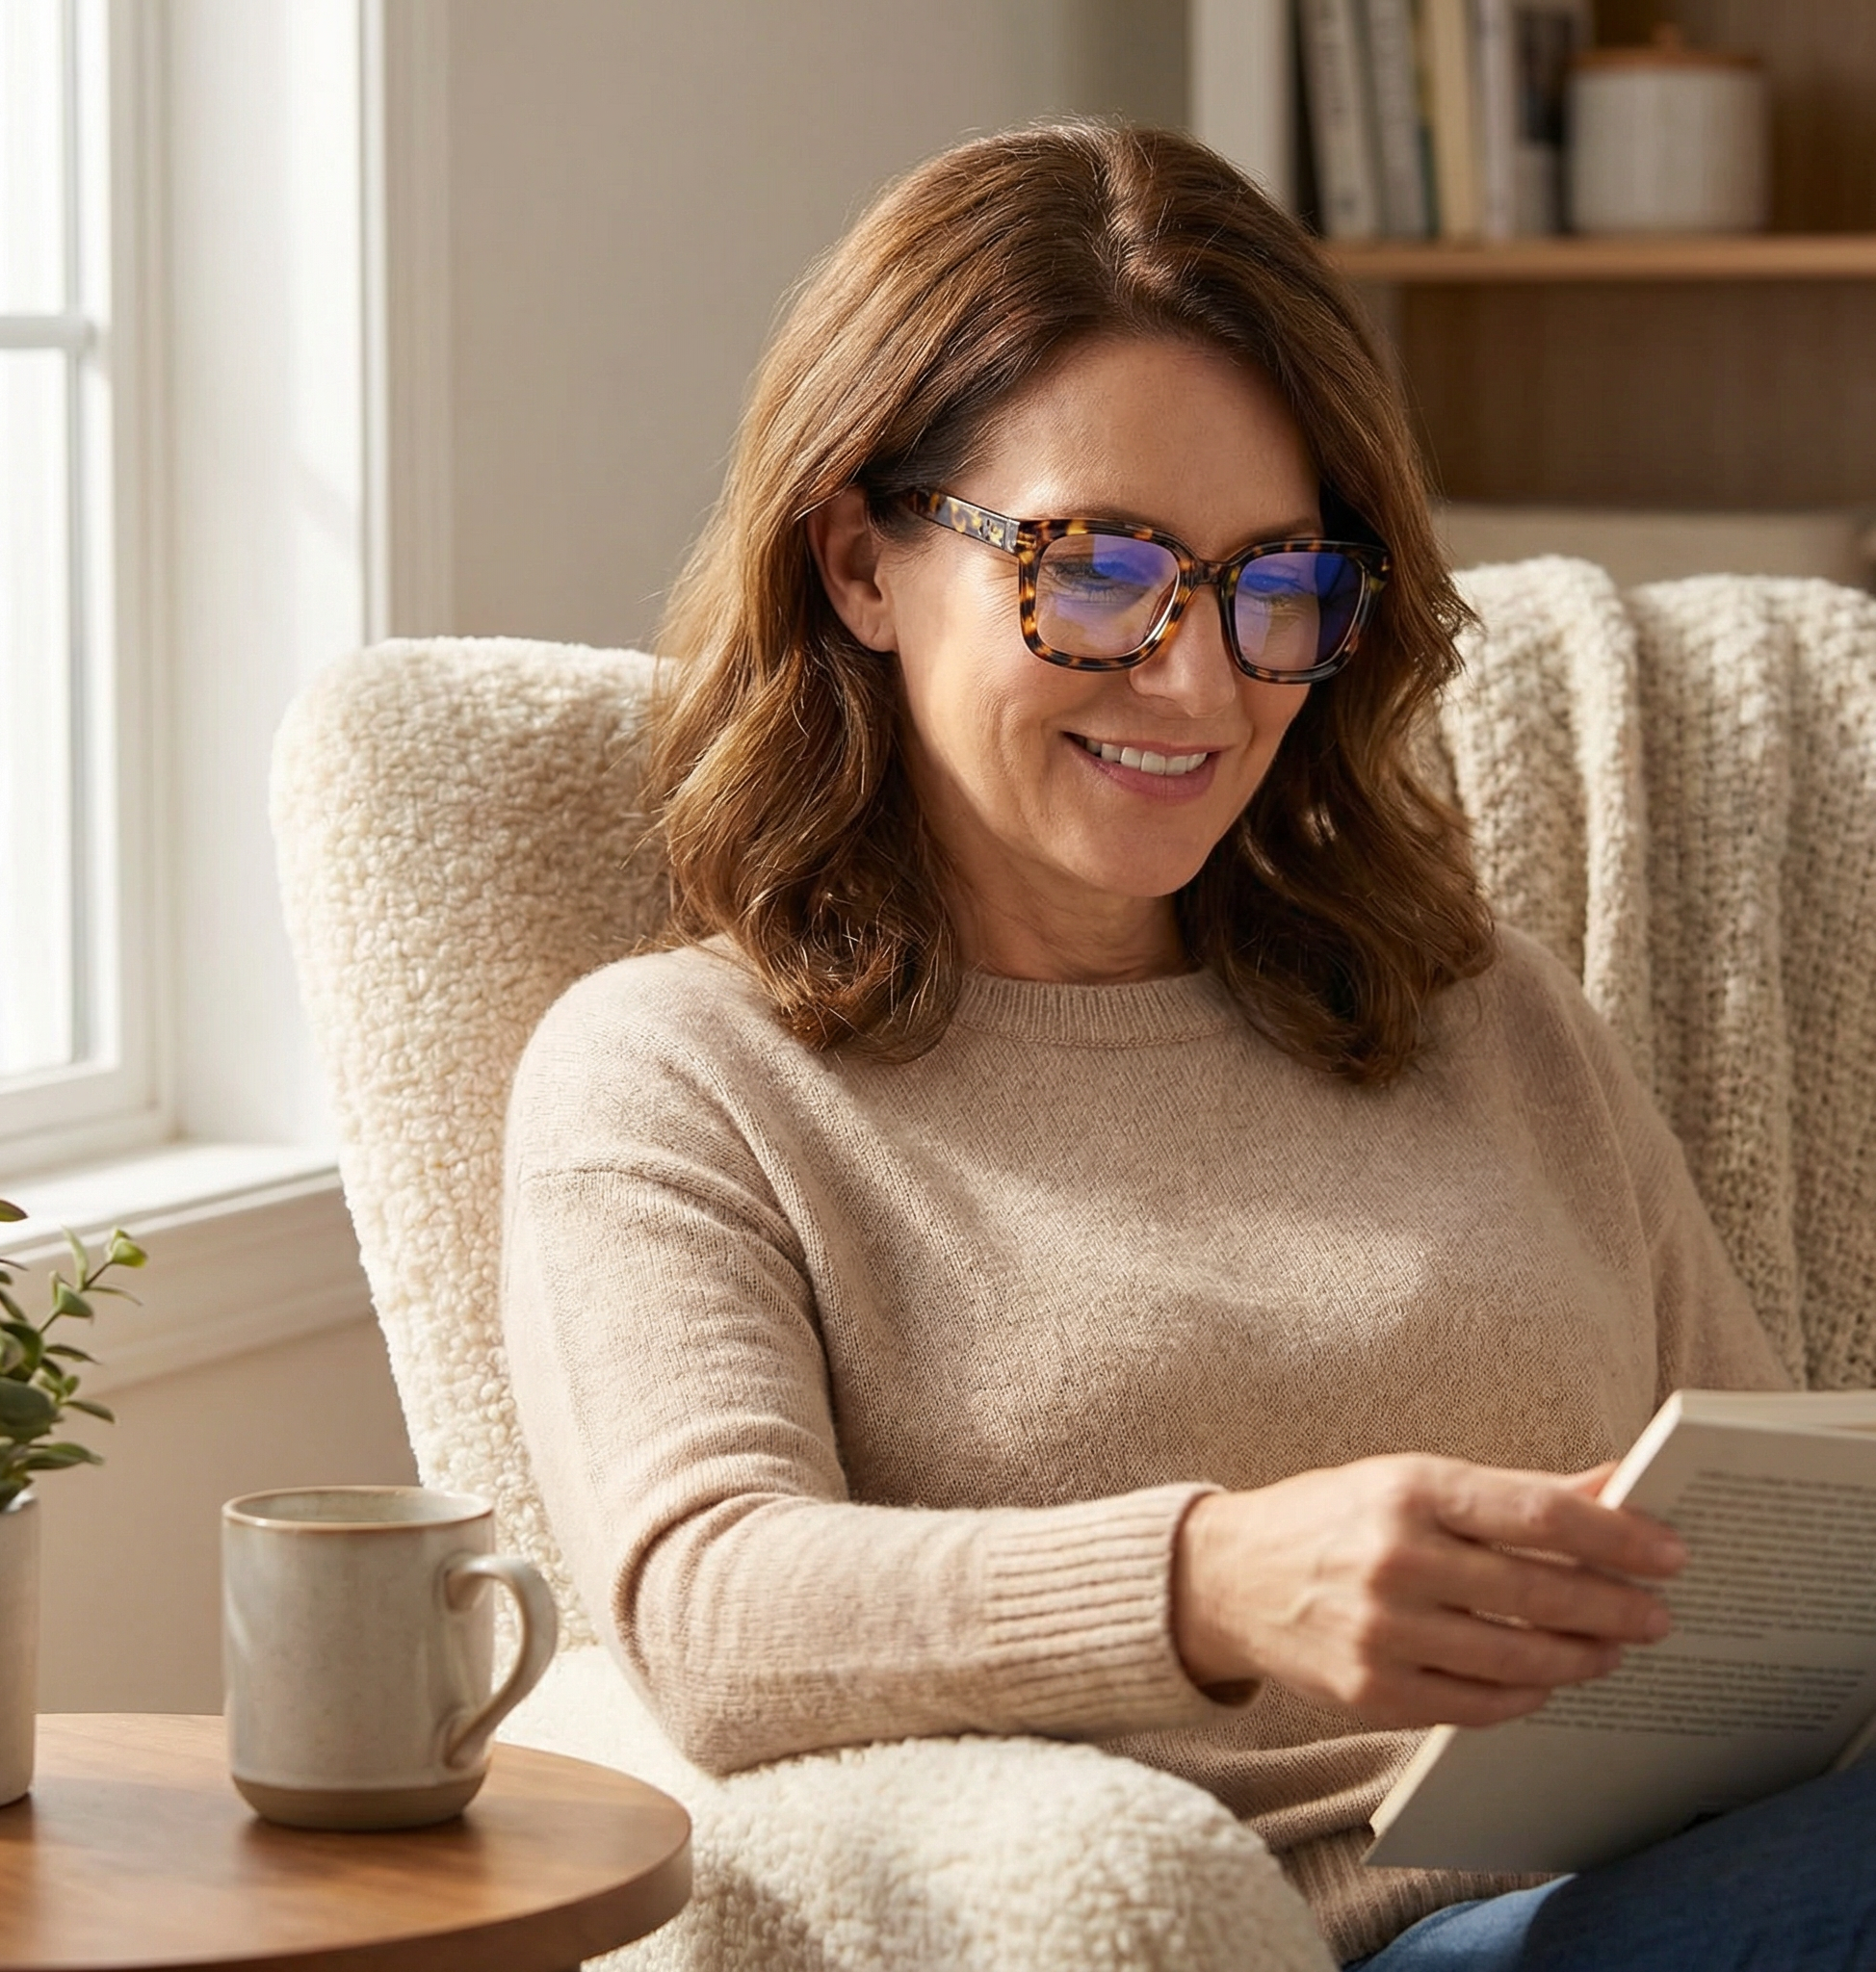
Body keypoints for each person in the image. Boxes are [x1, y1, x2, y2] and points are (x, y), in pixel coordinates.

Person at [498, 122, 1871, 1968]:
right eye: (1096, 569)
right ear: (859, 567)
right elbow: (709, 1612)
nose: (1204, 682)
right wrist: (1215, 1581)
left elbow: (1785, 1550)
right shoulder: (680, 1073)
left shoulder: (1481, 1009)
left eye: (1276, 586)